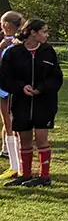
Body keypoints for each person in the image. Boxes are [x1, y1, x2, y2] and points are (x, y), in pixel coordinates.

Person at [0, 18, 64, 187]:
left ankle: (44, 176)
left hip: (44, 102)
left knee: (42, 137)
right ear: (32, 33)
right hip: (21, 102)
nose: (47, 35)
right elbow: (5, 78)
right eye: (44, 31)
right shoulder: (14, 53)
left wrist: (42, 88)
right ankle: (25, 174)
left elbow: (56, 77)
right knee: (24, 138)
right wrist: (21, 87)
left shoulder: (48, 51)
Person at [0, 10, 23, 179]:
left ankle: (17, 166)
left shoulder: (15, 44)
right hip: (8, 88)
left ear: (7, 25)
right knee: (10, 125)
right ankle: (15, 165)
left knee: (12, 126)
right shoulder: (10, 43)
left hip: (10, 89)